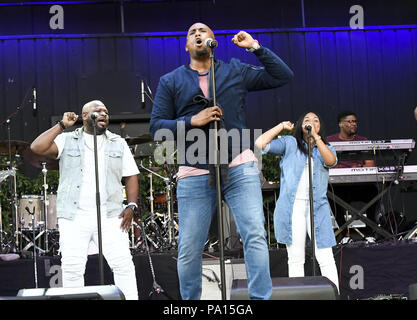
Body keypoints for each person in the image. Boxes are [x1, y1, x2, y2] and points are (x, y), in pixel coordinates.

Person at [150, 22, 293, 300]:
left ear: (214, 41)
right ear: (187, 46)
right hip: (195, 169)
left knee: (255, 235)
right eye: (192, 33)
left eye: (204, 31)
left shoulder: (234, 70)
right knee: (190, 247)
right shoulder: (171, 80)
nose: (198, 34)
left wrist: (255, 47)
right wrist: (192, 120)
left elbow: (282, 76)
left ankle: (259, 299)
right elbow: (156, 128)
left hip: (239, 164)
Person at [30, 100, 139, 300]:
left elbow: (131, 175)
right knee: (72, 268)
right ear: (84, 115)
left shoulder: (118, 142)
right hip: (74, 215)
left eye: (106, 111)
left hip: (111, 213)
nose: (104, 114)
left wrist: (131, 205)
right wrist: (61, 125)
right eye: (98, 111)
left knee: (123, 264)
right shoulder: (67, 139)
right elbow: (37, 147)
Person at [255, 112, 339, 292]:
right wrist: (281, 126)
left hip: (318, 208)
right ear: (300, 124)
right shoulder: (290, 143)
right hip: (293, 208)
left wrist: (316, 139)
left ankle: (334, 295)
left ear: (320, 126)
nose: (311, 122)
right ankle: (299, 296)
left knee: (325, 256)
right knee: (296, 257)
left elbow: (331, 161)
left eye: (316, 120)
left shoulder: (325, 146)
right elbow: (259, 144)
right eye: (307, 119)